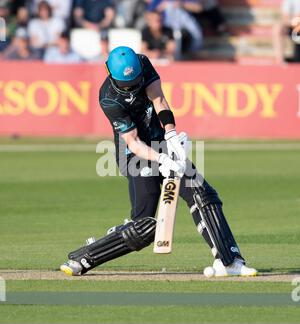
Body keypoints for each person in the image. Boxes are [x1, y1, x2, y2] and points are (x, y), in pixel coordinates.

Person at [60, 46, 257, 278]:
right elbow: (132, 142)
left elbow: (159, 99)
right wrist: (161, 158)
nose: (132, 87)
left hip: (161, 142)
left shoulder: (143, 63)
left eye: (135, 81)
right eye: (127, 84)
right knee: (145, 227)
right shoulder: (109, 98)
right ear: (110, 74)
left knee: (201, 192)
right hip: (134, 155)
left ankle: (229, 260)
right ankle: (85, 257)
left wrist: (172, 136)